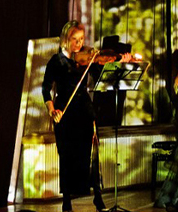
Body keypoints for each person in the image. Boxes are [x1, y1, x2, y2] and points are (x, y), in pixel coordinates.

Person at [44, 20, 108, 212]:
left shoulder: (86, 59)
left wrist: (104, 60)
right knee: (66, 156)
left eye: (81, 39)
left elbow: (100, 77)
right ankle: (67, 201)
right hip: (65, 110)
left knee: (91, 155)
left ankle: (97, 196)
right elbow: (46, 88)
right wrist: (52, 110)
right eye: (74, 39)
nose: (79, 43)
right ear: (66, 39)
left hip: (84, 111)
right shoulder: (56, 61)